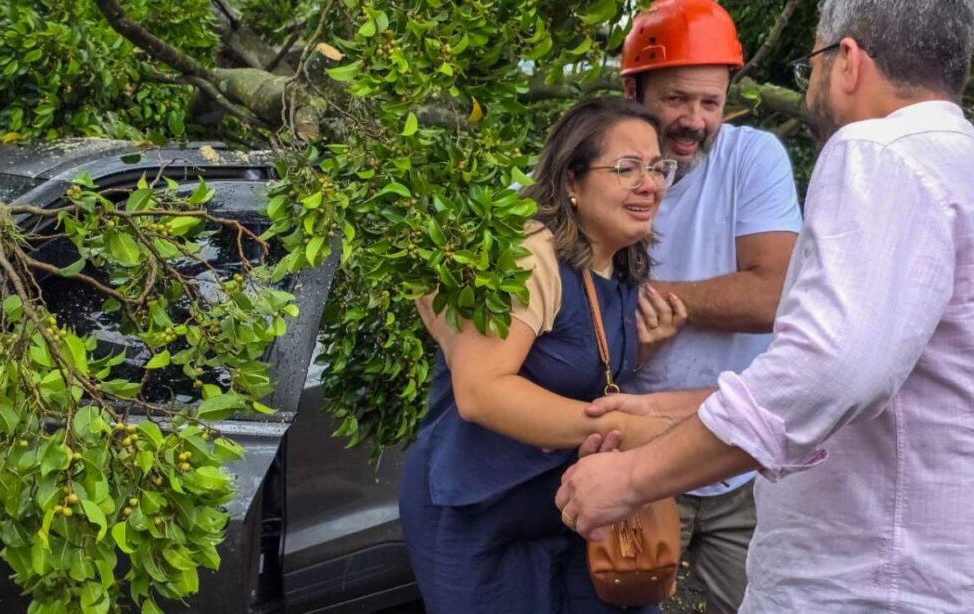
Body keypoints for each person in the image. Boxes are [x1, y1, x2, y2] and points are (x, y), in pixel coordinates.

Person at [557, 0, 974, 611]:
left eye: (813, 68)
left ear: (848, 61)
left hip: (866, 580)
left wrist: (629, 478)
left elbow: (827, 373)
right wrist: (662, 406)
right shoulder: (955, 160)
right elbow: (880, 383)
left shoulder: (879, 152)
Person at [399, 97, 686, 614]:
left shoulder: (619, 268)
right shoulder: (529, 251)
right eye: (627, 168)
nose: (651, 184)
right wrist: (626, 430)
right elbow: (482, 394)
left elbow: (575, 368)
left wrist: (645, 350)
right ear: (571, 182)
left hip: (573, 511)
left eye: (657, 167)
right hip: (482, 511)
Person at [606, 1, 802, 611]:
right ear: (632, 88)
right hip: (638, 455)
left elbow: (773, 294)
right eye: (676, 100)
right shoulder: (596, 169)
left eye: (711, 103)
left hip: (738, 458)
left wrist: (653, 302)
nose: (694, 120)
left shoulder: (752, 157)